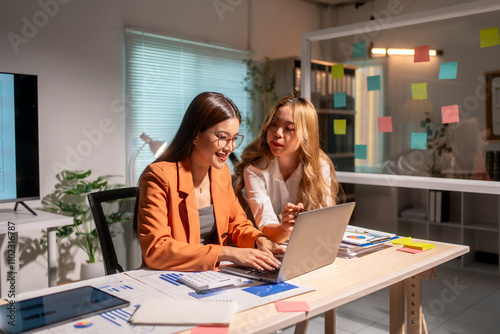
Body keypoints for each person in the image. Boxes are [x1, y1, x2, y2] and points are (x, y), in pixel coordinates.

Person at [135, 92, 283, 272]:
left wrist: (259, 240)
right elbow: (156, 249)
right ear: (195, 135)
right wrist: (225, 252)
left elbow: (238, 224)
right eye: (222, 137)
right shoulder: (158, 177)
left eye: (235, 138)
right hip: (170, 276)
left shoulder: (220, 174)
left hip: (210, 276)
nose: (230, 147)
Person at [234, 96, 341, 244]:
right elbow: (269, 231)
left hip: (308, 246)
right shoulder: (254, 170)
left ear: (306, 134)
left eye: (289, 128)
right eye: (273, 124)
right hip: (265, 250)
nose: (277, 133)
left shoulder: (320, 165)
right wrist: (285, 227)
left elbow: (326, 221)